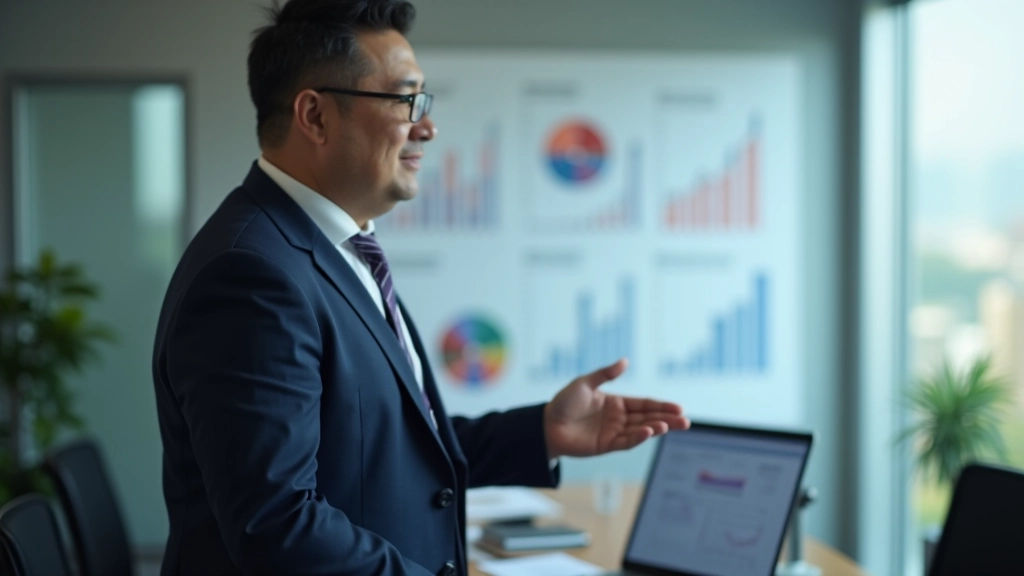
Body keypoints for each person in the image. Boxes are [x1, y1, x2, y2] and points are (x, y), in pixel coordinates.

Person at [151, 1, 689, 574]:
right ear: (316, 116)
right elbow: (278, 524)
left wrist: (541, 432)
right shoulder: (253, 276)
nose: (427, 126)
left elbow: (379, 450)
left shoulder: (334, 250)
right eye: (407, 100)